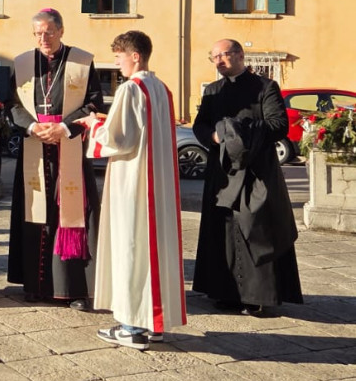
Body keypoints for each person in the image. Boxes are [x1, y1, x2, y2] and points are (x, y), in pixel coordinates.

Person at [80, 31, 186, 350]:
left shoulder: (131, 88)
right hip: (157, 182)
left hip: (134, 182)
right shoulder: (162, 89)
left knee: (131, 248)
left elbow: (119, 139)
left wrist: (93, 125)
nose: (117, 64)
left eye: (119, 57)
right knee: (153, 250)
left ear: (135, 56)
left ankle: (131, 327)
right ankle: (155, 324)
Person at [191, 39, 302, 314]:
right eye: (214, 57)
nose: (219, 61)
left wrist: (239, 133)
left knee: (256, 230)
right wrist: (215, 136)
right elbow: (200, 125)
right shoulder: (213, 91)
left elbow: (279, 125)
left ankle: (257, 295)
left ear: (240, 55)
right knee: (223, 231)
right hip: (222, 174)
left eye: (224, 55)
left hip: (256, 172)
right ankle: (224, 292)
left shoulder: (265, 87)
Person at [7, 8, 105, 309]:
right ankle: (35, 285)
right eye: (37, 33)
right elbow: (12, 105)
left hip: (69, 147)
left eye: (48, 32)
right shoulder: (23, 63)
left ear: (61, 31)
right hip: (35, 147)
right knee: (35, 217)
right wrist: (32, 126)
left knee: (72, 217)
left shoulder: (82, 62)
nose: (43, 38)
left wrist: (63, 127)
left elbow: (93, 104)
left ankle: (73, 290)